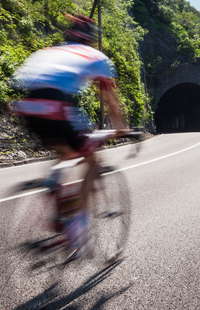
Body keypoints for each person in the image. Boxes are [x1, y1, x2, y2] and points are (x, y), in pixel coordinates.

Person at [9, 14, 128, 258]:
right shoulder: (95, 57)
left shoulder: (46, 51)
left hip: (27, 107)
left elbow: (20, 80)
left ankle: (56, 188)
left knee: (64, 152)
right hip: (58, 107)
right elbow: (110, 100)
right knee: (91, 161)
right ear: (91, 40)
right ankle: (76, 227)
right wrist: (120, 127)